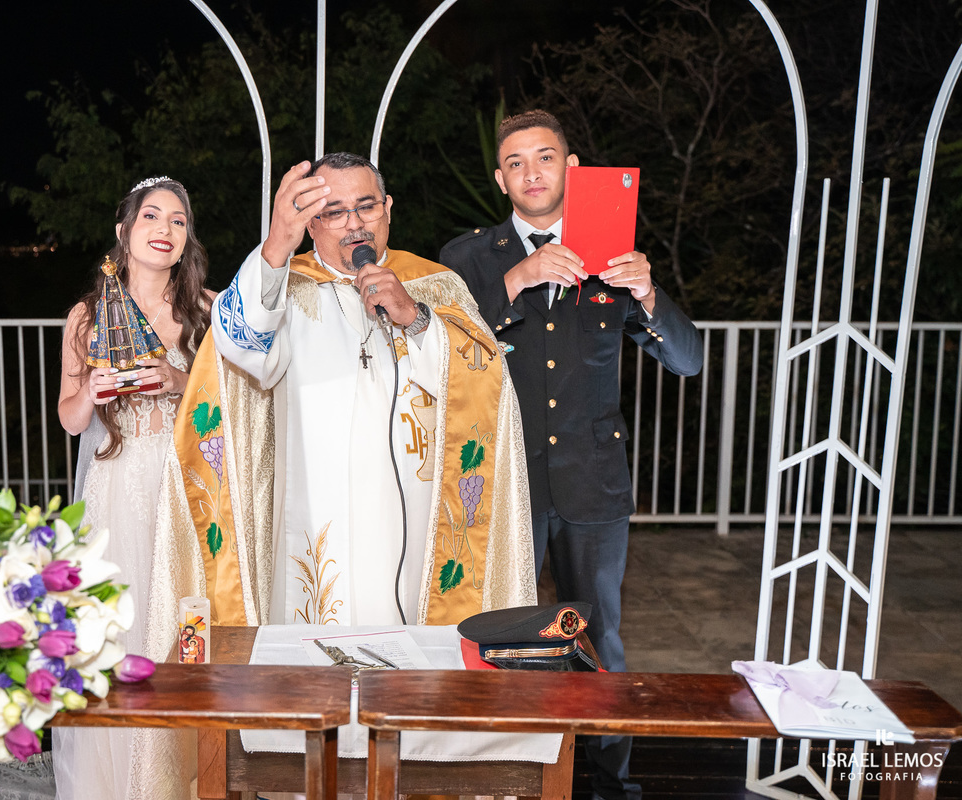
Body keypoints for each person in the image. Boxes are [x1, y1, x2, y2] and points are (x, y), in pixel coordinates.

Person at [439, 110, 703, 800]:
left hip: (594, 482)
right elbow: (434, 354)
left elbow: (690, 359)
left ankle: (608, 778)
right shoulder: (468, 257)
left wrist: (646, 291)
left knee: (600, 639)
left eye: (545, 157)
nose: (532, 172)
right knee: (501, 631)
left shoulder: (614, 249)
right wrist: (515, 281)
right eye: (517, 162)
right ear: (501, 179)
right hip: (504, 483)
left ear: (572, 167)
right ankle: (506, 772)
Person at [160, 152, 535, 628]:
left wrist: (416, 318)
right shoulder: (284, 289)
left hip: (413, 518)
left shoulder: (433, 285)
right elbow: (237, 345)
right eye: (334, 213)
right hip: (318, 509)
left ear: (389, 208)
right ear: (310, 225)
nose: (355, 224)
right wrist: (276, 243)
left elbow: (486, 378)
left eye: (367, 207)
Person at [54, 176, 213, 800]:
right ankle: (113, 780)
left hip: (181, 483)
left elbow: (234, 405)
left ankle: (179, 774)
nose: (164, 230)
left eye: (178, 220)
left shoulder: (205, 308)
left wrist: (178, 380)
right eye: (151, 216)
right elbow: (68, 419)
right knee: (115, 625)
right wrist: (90, 393)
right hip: (115, 482)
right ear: (124, 232)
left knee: (180, 622)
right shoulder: (87, 317)